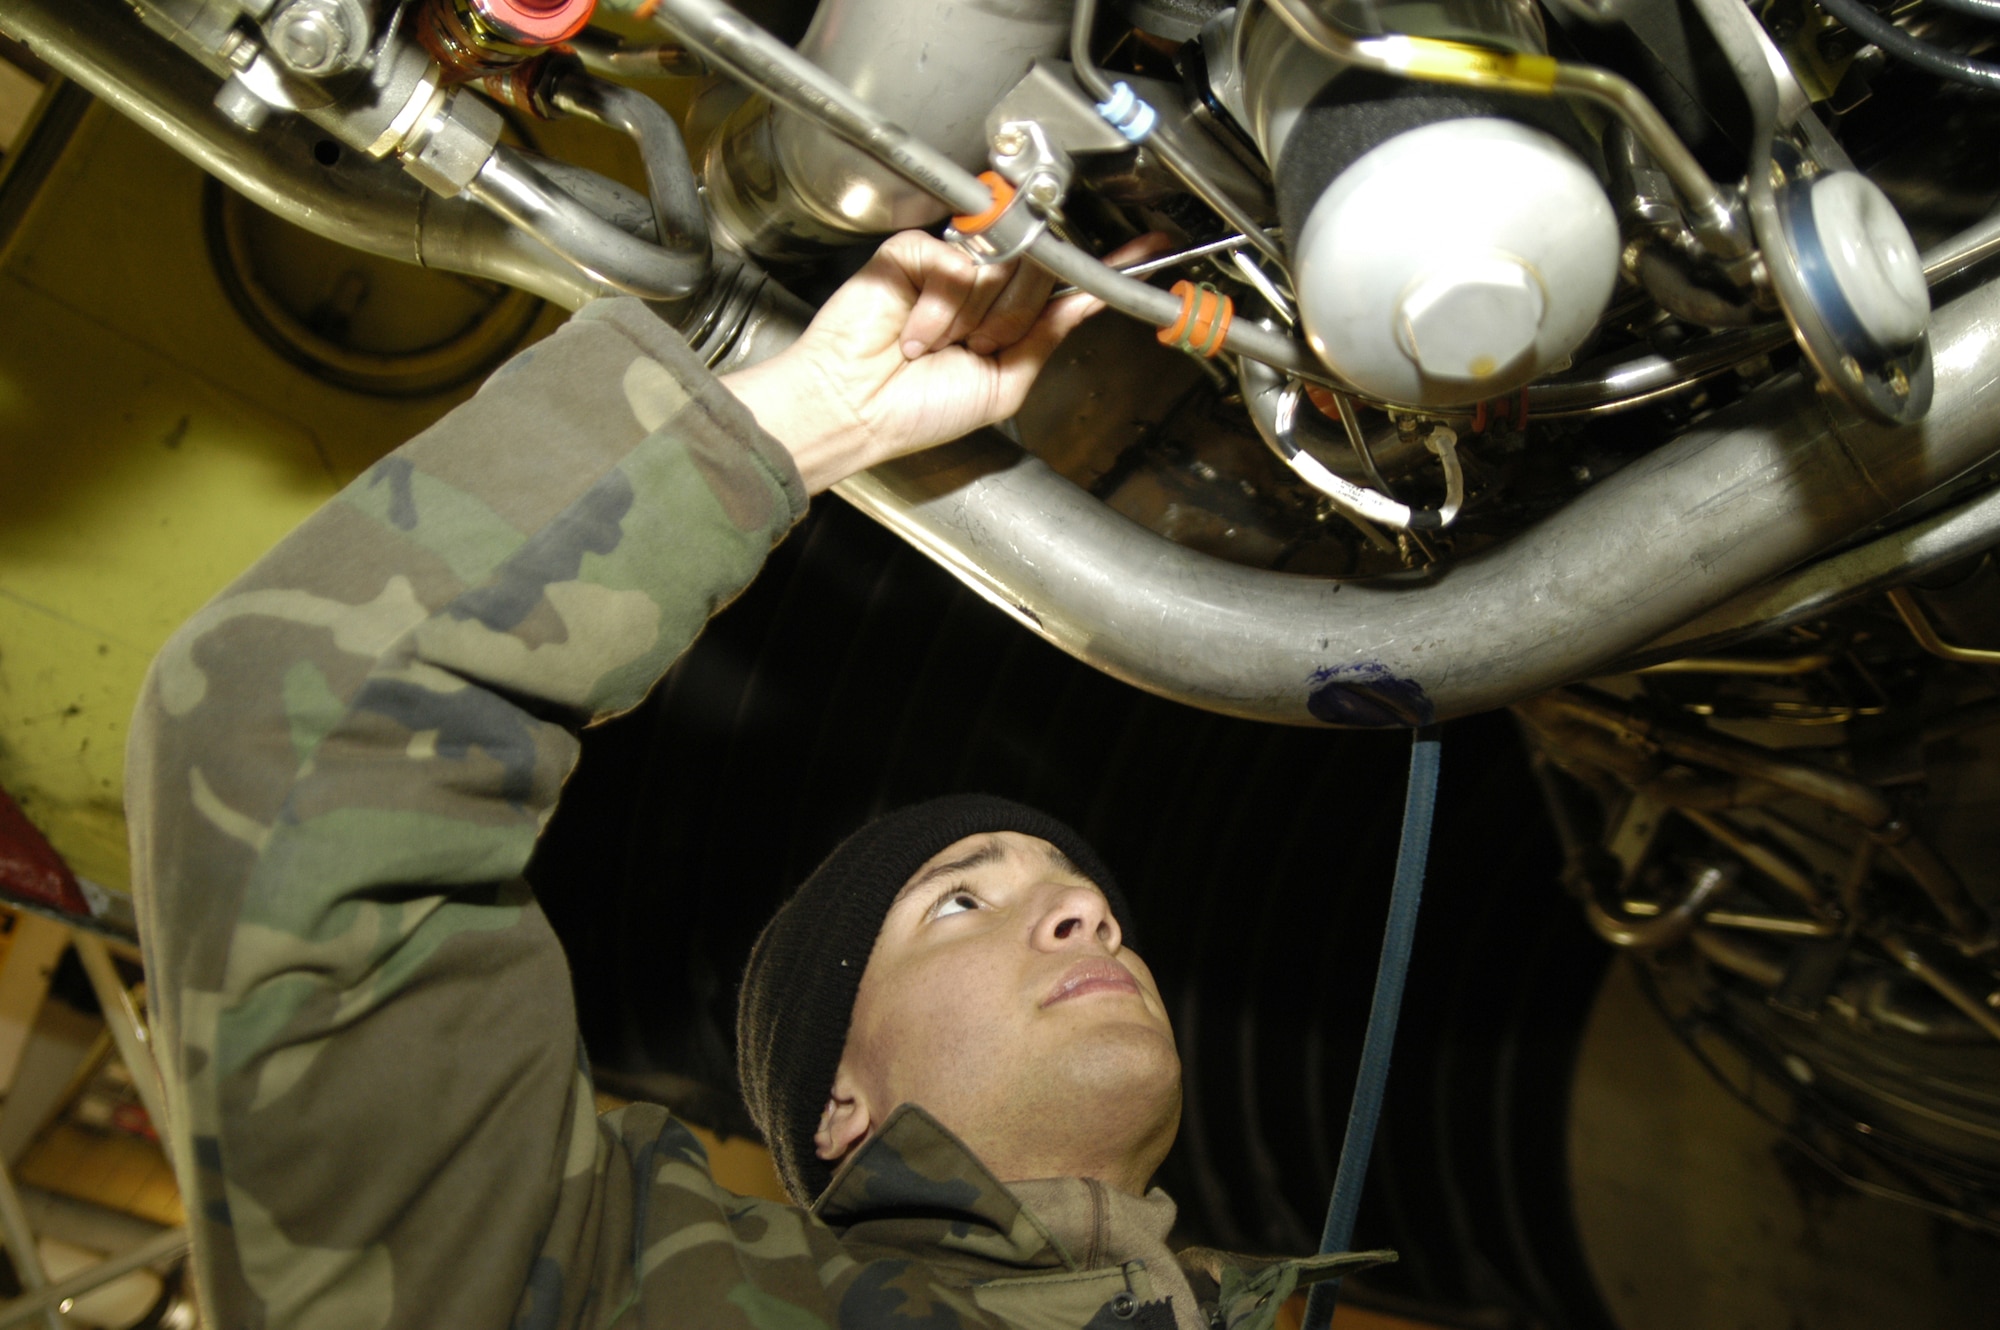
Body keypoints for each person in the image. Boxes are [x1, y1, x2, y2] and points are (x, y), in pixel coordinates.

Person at [128, 231, 1386, 1330]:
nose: (1087, 913)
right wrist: (804, 419)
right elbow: (286, 741)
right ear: (838, 1101)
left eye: (1076, 893)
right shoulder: (602, 1282)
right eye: (959, 900)